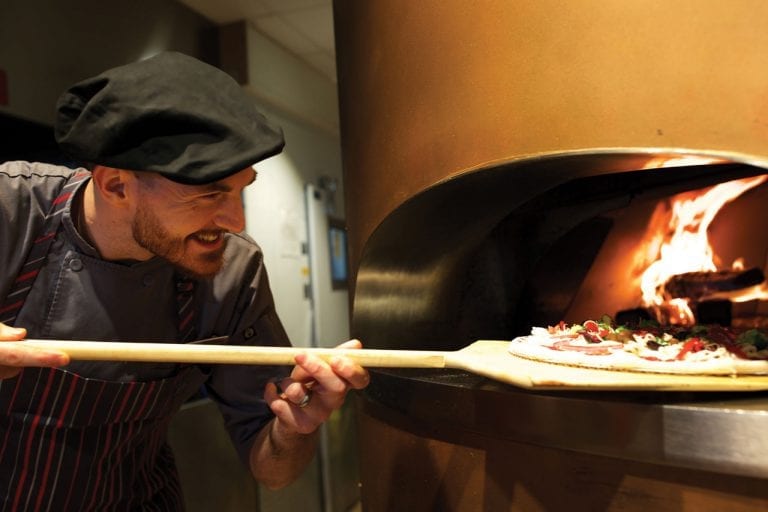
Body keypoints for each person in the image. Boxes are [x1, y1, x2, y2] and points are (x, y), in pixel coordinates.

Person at [0, 51, 369, 510]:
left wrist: (295, 427)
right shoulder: (11, 211)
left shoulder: (233, 273)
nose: (235, 221)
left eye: (241, 190)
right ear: (116, 185)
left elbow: (274, 471)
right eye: (210, 193)